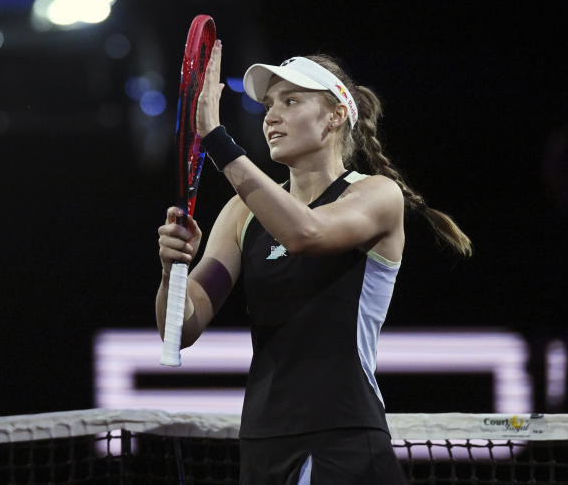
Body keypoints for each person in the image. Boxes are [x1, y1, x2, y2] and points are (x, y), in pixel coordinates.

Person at [155, 43, 472, 484]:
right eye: (268, 105)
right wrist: (174, 268)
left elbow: (306, 233)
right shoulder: (240, 213)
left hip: (343, 440)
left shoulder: (376, 194)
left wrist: (216, 138)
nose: (271, 116)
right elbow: (183, 327)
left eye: (291, 101)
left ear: (335, 116)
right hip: (263, 441)